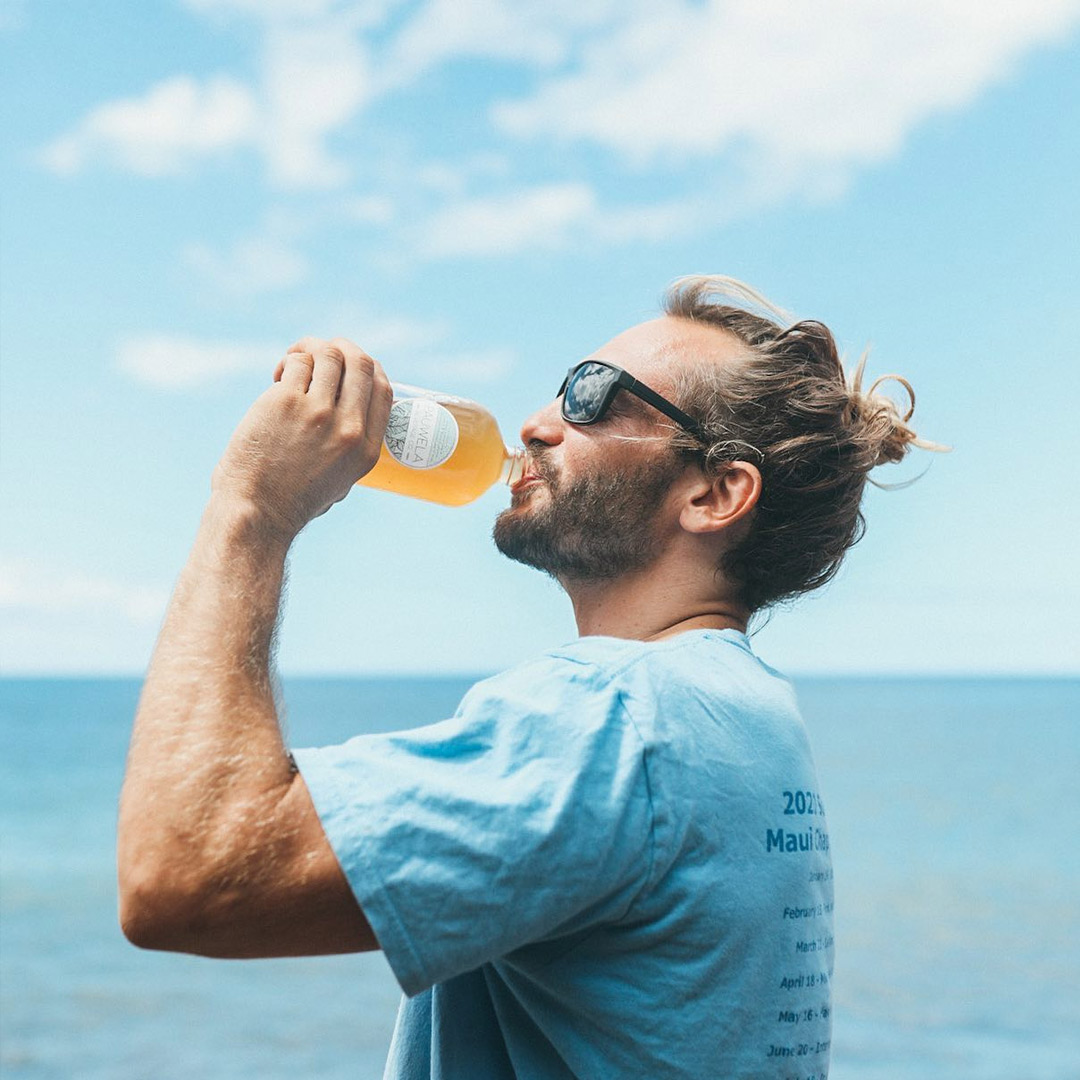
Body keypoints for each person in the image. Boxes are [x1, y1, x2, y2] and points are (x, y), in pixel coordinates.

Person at [118, 275, 939, 1078]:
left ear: (716, 492)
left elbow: (187, 873)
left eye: (593, 395)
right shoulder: (745, 714)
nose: (539, 423)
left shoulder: (616, 719)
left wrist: (252, 508)